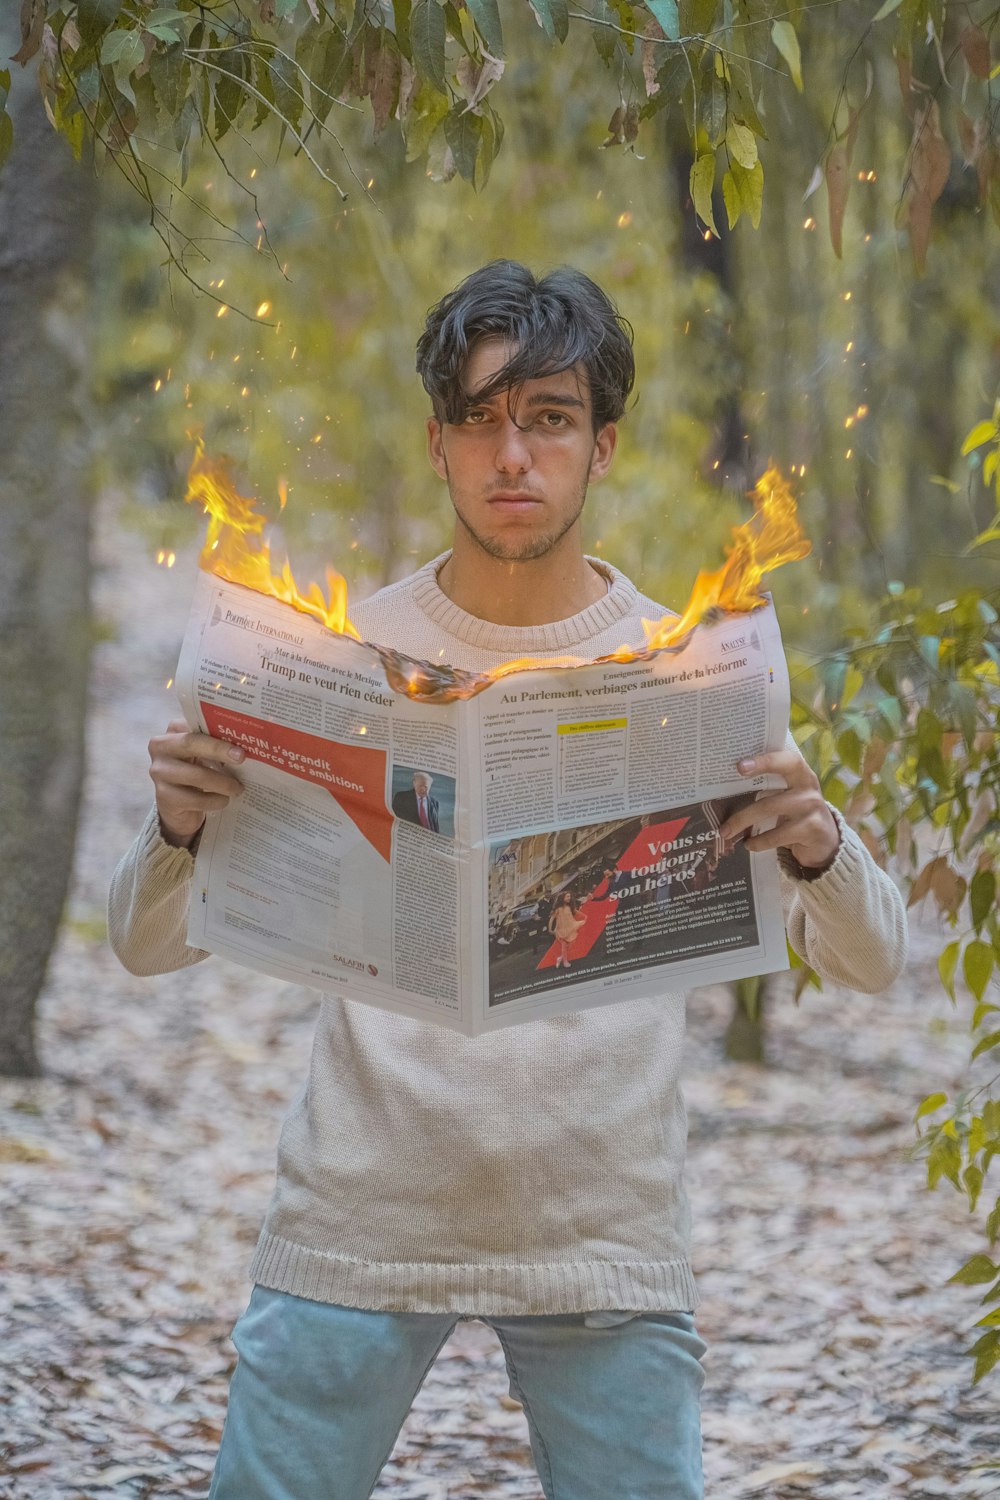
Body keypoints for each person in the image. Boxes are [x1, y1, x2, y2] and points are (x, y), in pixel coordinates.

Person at [108, 261, 908, 1500]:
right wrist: (174, 830)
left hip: (602, 1236)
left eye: (548, 418)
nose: (513, 456)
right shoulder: (339, 657)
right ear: (436, 445)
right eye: (482, 419)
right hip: (359, 1222)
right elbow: (144, 949)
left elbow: (874, 959)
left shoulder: (685, 671)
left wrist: (814, 838)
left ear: (602, 446)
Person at [547, 889, 585, 968]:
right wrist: (550, 929)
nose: (569, 898)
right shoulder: (558, 908)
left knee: (570, 943)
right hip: (561, 930)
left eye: (570, 896)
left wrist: (585, 916)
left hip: (570, 927)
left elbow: (576, 911)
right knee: (564, 945)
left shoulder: (569, 907)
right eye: (567, 896)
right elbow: (552, 919)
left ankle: (561, 957)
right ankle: (565, 962)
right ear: (562, 898)